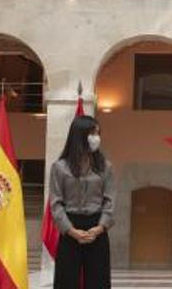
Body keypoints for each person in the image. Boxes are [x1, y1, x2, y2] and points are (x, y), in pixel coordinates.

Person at [49, 115, 114, 289]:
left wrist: (100, 228)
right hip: (70, 228)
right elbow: (56, 204)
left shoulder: (105, 166)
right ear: (80, 135)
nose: (96, 137)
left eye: (98, 133)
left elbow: (110, 201)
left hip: (97, 227)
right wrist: (71, 231)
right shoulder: (59, 167)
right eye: (93, 133)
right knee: (66, 280)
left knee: (99, 281)